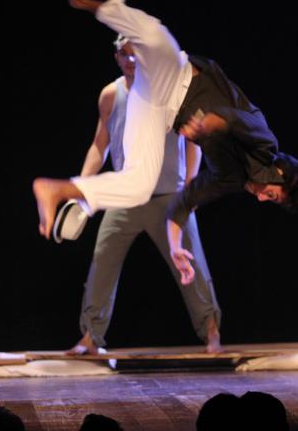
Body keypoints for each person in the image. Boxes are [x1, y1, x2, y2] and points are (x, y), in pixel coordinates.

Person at [33, 0, 298, 284]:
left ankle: (59, 189)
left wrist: (175, 245)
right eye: (272, 194)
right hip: (178, 76)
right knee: (156, 37)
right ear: (280, 174)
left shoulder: (231, 178)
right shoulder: (266, 143)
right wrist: (210, 123)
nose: (260, 197)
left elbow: (184, 201)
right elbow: (238, 119)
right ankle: (84, 1)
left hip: (159, 110)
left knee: (140, 185)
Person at [67, 34, 221, 355]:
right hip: (127, 197)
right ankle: (90, 338)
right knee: (102, 260)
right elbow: (100, 144)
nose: (131, 60)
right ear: (117, 57)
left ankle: (211, 332)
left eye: (137, 54)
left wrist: (189, 189)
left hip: (169, 196)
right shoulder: (111, 95)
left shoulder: (166, 93)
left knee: (192, 264)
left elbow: (192, 141)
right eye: (124, 54)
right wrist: (82, 187)